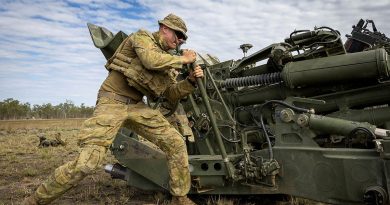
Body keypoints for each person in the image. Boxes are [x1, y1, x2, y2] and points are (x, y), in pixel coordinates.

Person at [22, 13, 202, 205]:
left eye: (183, 38)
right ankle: (34, 201)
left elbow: (169, 94)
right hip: (111, 102)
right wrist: (182, 60)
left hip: (136, 106)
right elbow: (150, 60)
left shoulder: (168, 62)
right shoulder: (142, 38)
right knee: (87, 162)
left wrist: (190, 81)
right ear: (165, 28)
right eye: (178, 34)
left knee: (175, 143)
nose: (180, 40)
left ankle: (179, 197)